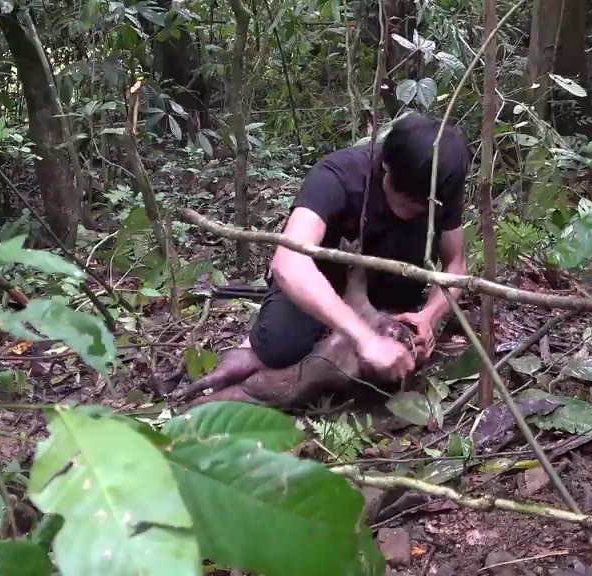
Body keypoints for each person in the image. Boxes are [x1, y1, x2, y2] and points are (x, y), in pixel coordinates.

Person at [194, 113, 470, 391]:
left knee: (395, 365)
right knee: (278, 347)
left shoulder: (440, 189)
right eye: (406, 198)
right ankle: (256, 356)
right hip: (322, 278)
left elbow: (455, 264)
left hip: (392, 288)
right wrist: (366, 339)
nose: (413, 210)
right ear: (386, 165)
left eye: (423, 206)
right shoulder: (338, 175)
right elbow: (289, 263)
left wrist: (429, 317)